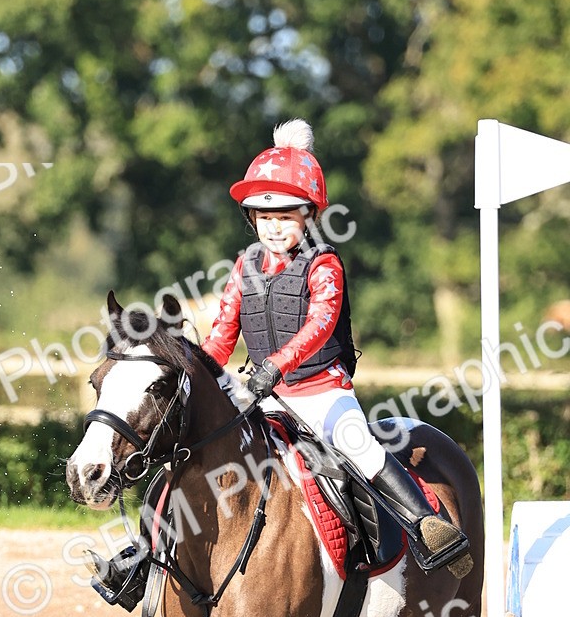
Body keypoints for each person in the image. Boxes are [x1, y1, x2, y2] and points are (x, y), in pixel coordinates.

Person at [201, 119, 472, 577]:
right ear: (252, 220)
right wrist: (196, 371)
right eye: (264, 218)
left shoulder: (323, 263)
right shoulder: (244, 267)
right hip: (265, 396)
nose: (273, 227)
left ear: (309, 215)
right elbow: (223, 333)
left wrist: (275, 366)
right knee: (199, 447)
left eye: (285, 216)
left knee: (358, 445)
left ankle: (431, 529)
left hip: (323, 393)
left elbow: (320, 325)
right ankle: (143, 558)